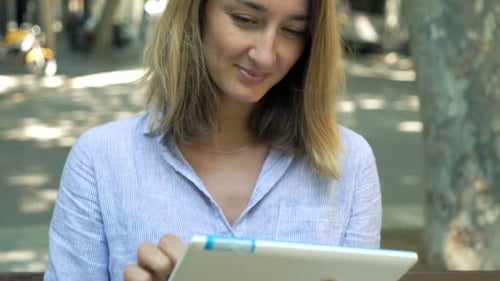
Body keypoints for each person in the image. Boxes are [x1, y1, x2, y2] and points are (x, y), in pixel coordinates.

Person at [44, 0, 382, 280]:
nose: (265, 55)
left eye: (293, 31)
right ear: (196, 12)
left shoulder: (348, 162)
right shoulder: (102, 159)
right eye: (245, 19)